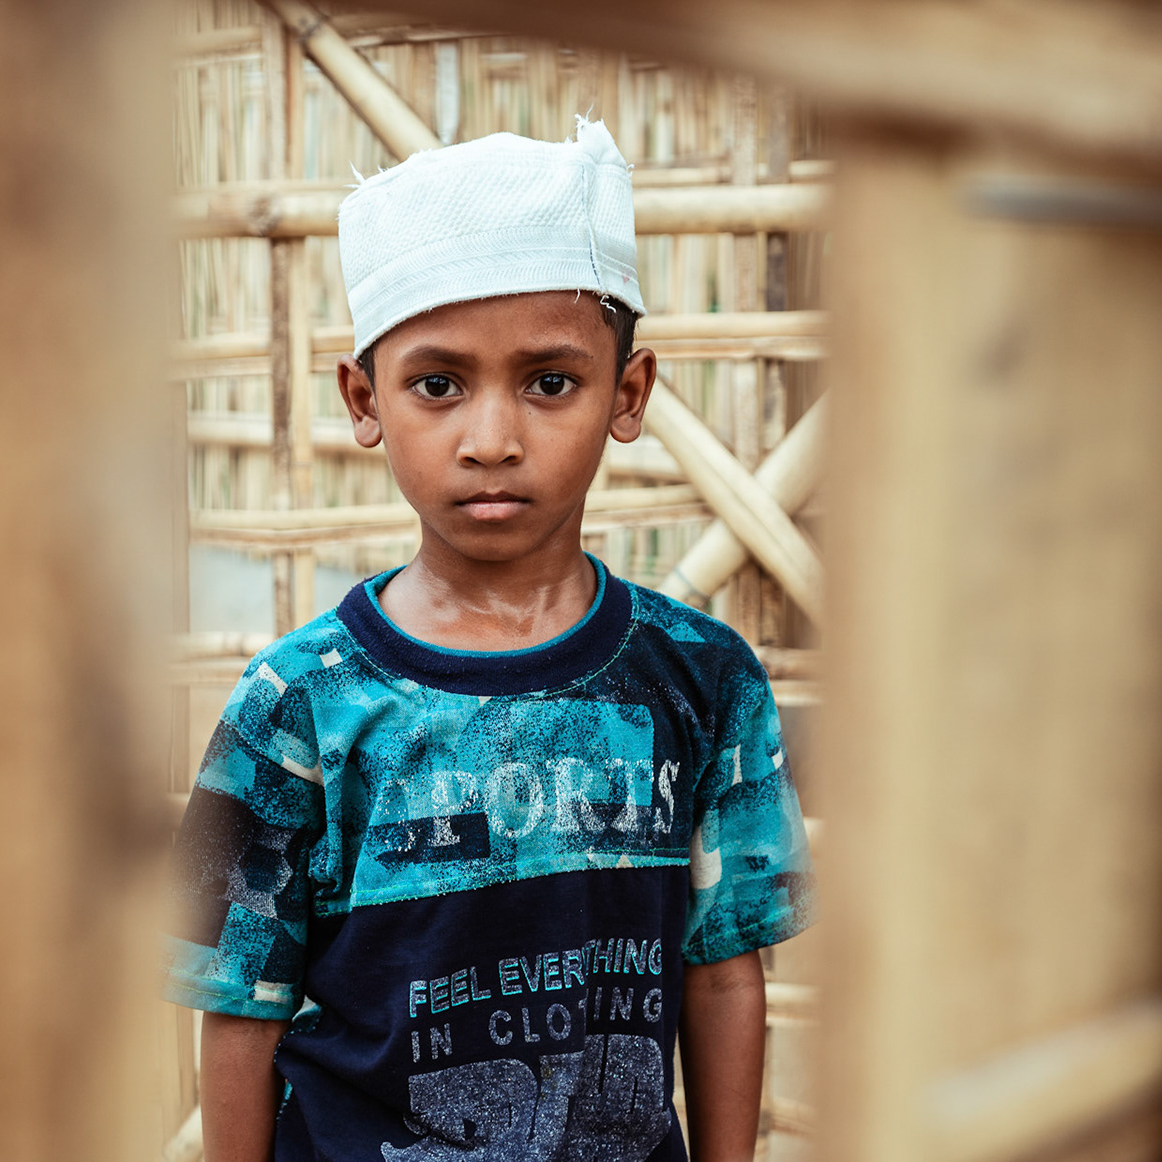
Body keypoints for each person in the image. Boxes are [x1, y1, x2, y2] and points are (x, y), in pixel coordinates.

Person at [163, 123, 813, 1162]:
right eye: (438, 385)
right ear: (364, 400)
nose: (492, 437)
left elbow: (725, 969)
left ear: (628, 394)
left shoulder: (703, 679)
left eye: (550, 382)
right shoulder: (292, 705)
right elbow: (240, 1007)